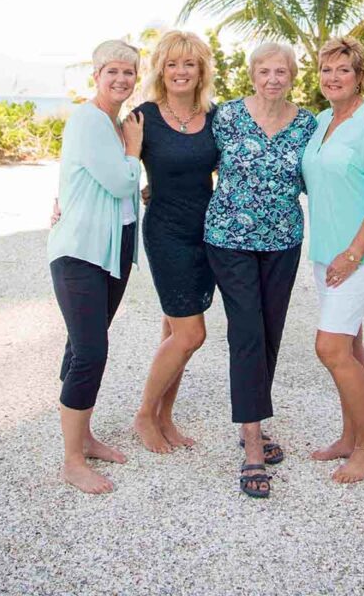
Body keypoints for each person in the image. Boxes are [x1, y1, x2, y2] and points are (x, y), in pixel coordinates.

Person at [204, 42, 317, 499]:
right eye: (265, 71)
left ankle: (251, 419)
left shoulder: (307, 124)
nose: (273, 78)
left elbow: (324, 179)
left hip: (283, 241)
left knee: (270, 333)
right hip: (228, 239)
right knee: (247, 332)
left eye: (281, 71)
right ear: (252, 74)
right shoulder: (227, 118)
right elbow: (190, 165)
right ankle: (252, 445)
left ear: (292, 75)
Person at [48, 39, 144, 494]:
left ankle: (83, 438)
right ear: (96, 75)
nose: (121, 79)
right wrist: (135, 150)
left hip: (112, 249)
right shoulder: (91, 120)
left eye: (129, 72)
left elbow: (93, 182)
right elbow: (120, 179)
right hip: (81, 251)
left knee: (82, 345)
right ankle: (71, 460)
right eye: (113, 72)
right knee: (90, 352)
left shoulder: (113, 121)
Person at [301, 36, 364, 484]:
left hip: (359, 251)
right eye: (326, 70)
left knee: (331, 347)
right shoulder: (322, 120)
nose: (333, 78)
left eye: (343, 70)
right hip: (324, 251)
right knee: (351, 345)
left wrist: (355, 252)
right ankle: (350, 434)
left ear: (360, 77)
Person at [133, 31, 219, 454]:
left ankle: (166, 416)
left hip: (208, 233)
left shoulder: (215, 117)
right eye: (172, 64)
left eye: (189, 64)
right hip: (166, 232)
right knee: (190, 333)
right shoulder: (142, 117)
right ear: (161, 71)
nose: (180, 72)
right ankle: (145, 415)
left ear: (201, 69)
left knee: (173, 329)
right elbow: (116, 169)